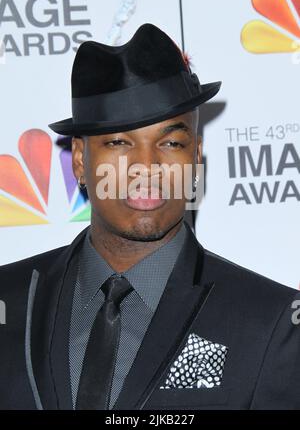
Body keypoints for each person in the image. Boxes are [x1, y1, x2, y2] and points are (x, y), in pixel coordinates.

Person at [0, 23, 299, 410]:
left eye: (171, 142)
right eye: (119, 142)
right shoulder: (10, 300)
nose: (147, 166)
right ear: (79, 160)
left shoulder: (269, 324)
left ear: (194, 157)